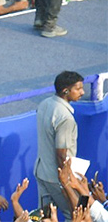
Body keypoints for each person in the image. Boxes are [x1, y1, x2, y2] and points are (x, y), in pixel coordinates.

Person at [34, 70, 84, 218]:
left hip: (42, 172)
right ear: (65, 91)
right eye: (78, 88)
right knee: (74, 215)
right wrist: (67, 183)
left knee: (45, 216)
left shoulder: (45, 104)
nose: (82, 92)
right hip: (58, 178)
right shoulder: (66, 118)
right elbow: (61, 154)